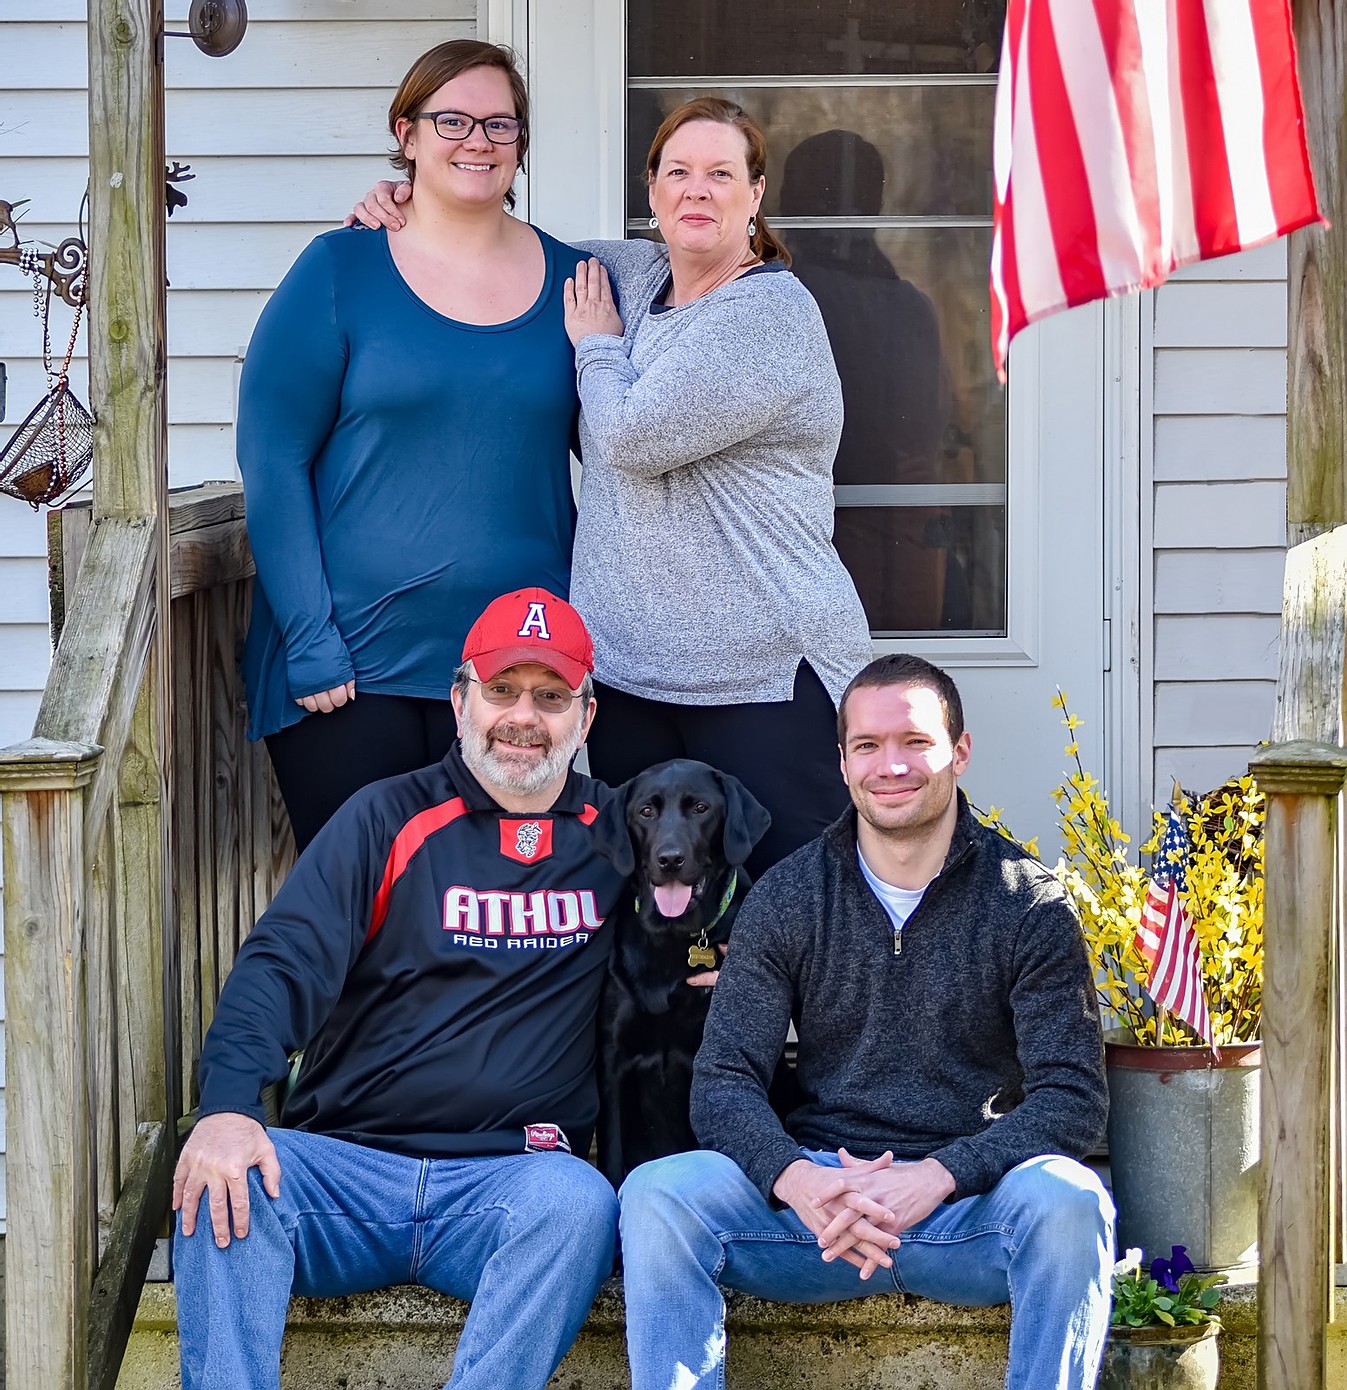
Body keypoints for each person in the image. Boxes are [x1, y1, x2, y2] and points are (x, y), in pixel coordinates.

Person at [353, 97, 874, 881]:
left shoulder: (770, 314)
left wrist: (595, 347)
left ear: (755, 195)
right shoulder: (631, 275)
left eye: (720, 174)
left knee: (790, 911)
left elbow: (631, 441)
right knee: (661, 916)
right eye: (678, 173)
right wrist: (413, 206)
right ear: (653, 190)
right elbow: (508, 254)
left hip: (761, 676)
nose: (697, 191)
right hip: (632, 674)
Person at [617, 652, 1115, 1390]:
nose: (891, 766)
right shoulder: (788, 898)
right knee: (656, 1194)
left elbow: (1072, 1097)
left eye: (915, 742)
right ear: (843, 763)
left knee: (1072, 1201)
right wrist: (795, 1178)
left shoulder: (1027, 903)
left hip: (967, 1206)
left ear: (959, 752)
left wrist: (940, 1175)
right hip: (817, 1207)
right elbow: (723, 1082)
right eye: (867, 746)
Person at [171, 589, 627, 1390]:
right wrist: (229, 1109)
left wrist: (724, 949)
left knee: (579, 1205)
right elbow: (280, 963)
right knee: (223, 1178)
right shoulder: (386, 816)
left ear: (584, 718)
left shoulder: (621, 837)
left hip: (508, 1182)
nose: (523, 716)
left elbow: (717, 907)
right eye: (502, 691)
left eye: (550, 697)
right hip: (344, 1172)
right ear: (459, 701)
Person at [240, 40, 583, 851]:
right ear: (408, 132)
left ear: (522, 144)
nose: (478, 140)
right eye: (452, 119)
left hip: (517, 676)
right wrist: (311, 640)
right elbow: (271, 460)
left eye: (500, 124)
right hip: (356, 673)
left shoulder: (579, 282)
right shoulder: (340, 269)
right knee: (371, 924)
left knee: (499, 927)